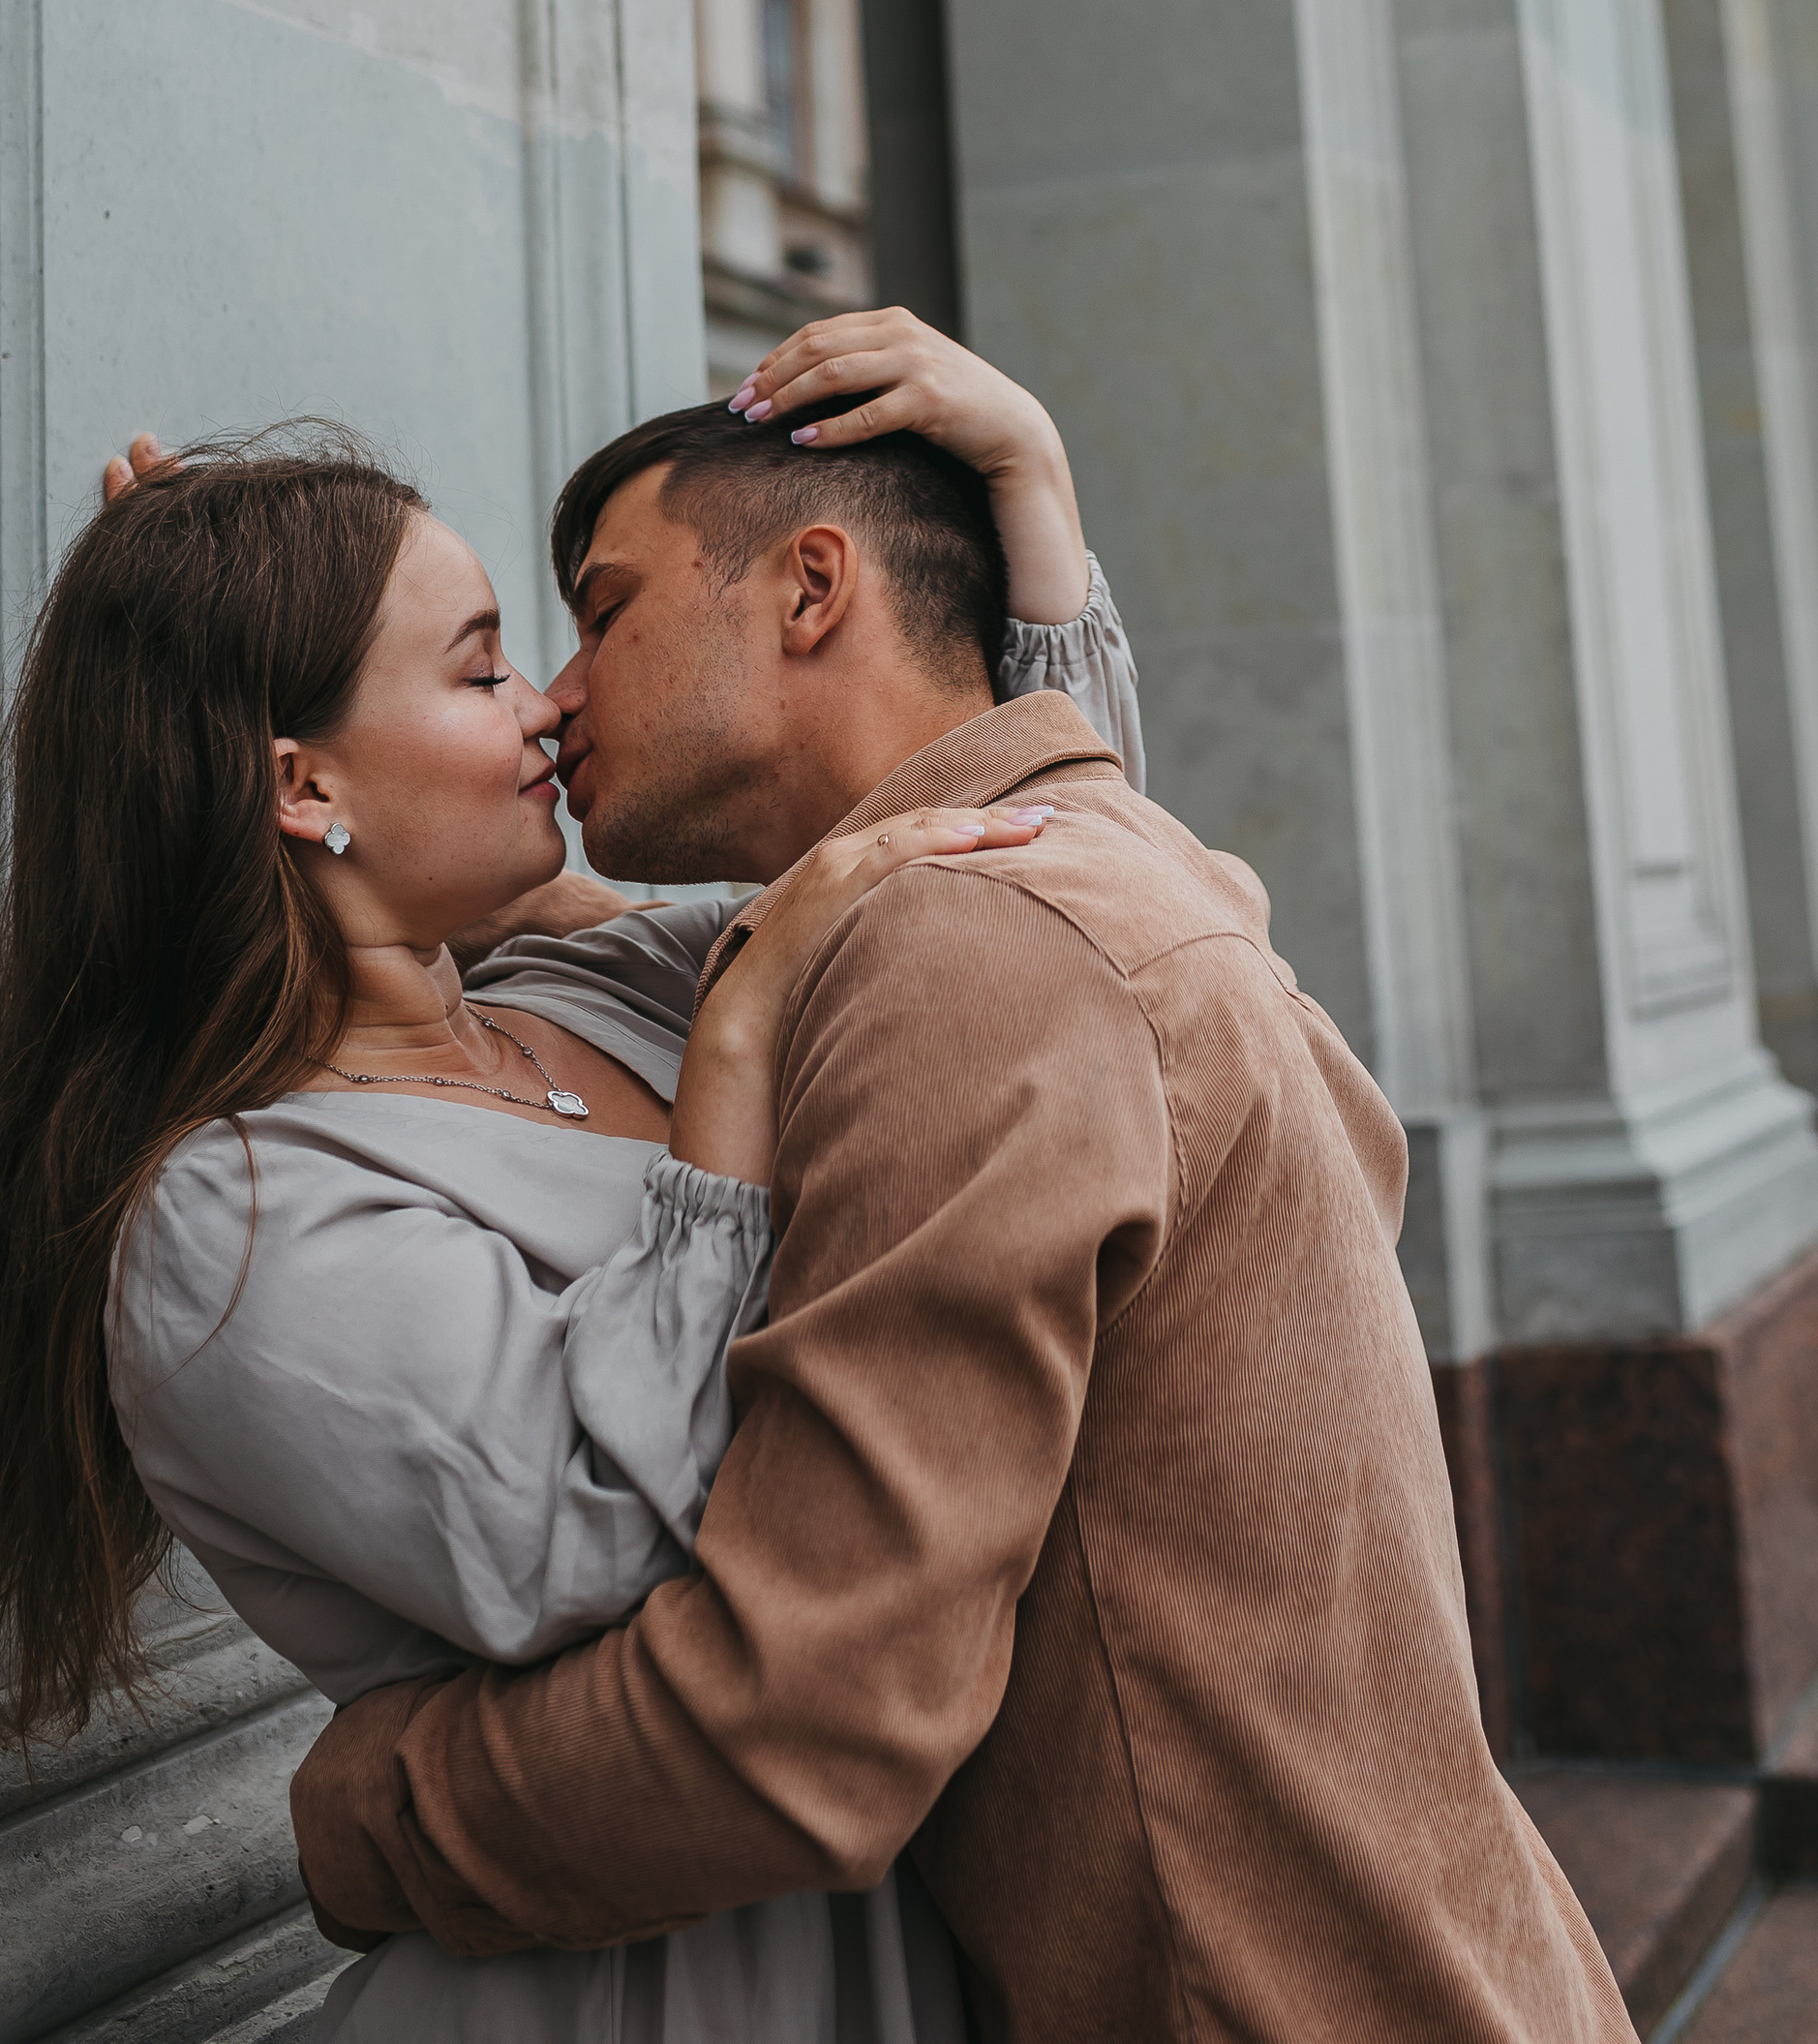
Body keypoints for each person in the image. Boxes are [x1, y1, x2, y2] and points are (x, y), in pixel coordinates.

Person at [291, 371, 1634, 2042]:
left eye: (600, 616)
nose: (555, 703)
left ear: (811, 587)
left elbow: (804, 1731)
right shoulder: (1098, 863)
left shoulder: (962, 944)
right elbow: (442, 898)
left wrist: (361, 1812)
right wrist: (211, 706)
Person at [0, 315, 1141, 2044]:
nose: (551, 706)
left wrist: (1031, 495)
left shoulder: (597, 989)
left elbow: (1046, 896)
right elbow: (618, 1555)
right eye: (482, 670)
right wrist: (729, 1083)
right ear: (304, 785)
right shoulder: (227, 1225)